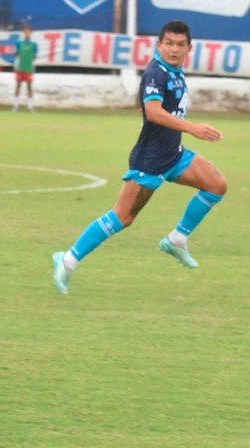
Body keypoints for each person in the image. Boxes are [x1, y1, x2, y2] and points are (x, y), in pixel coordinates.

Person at [52, 20, 226, 295]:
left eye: (180, 45)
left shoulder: (175, 71)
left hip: (173, 154)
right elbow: (154, 112)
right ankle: (67, 259)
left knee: (216, 185)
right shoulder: (156, 73)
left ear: (189, 48)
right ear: (159, 45)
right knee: (122, 217)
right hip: (151, 161)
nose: (174, 49)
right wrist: (193, 128)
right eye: (169, 43)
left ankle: (177, 239)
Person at [12, 24, 37, 112]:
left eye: (28, 31)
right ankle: (15, 106)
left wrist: (29, 60)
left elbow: (34, 56)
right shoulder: (19, 43)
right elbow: (15, 54)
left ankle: (30, 107)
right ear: (23, 33)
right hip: (20, 68)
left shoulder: (34, 44)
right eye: (25, 31)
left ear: (30, 32)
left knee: (29, 86)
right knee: (18, 85)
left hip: (29, 68)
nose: (27, 33)